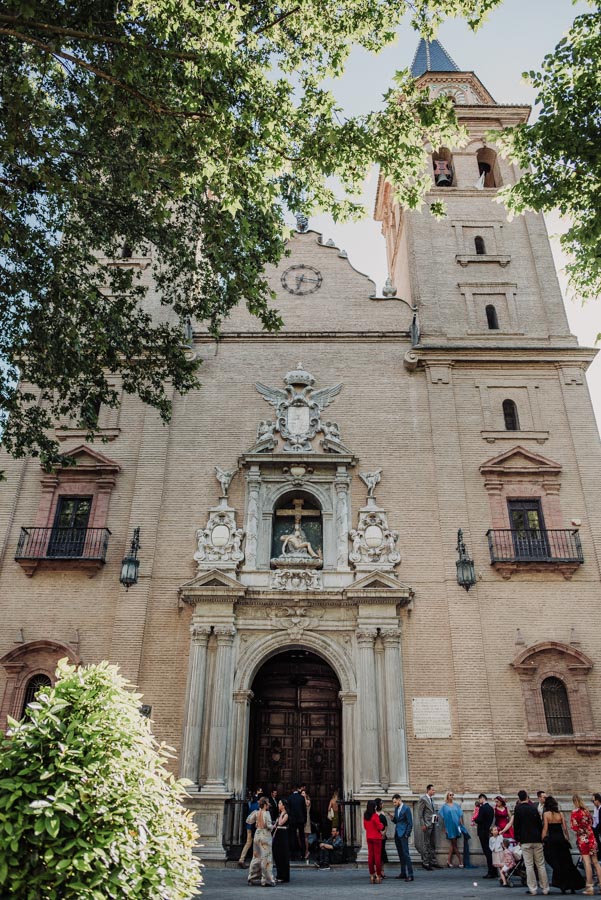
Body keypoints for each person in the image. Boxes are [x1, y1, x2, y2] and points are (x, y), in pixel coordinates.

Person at [541, 794, 584, 894]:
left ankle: (563, 885)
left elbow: (545, 829)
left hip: (552, 840)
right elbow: (565, 828)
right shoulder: (560, 814)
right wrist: (567, 838)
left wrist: (542, 838)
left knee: (558, 863)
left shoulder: (546, 814)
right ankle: (572, 885)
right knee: (567, 862)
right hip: (561, 840)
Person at [513, 789, 549, 896]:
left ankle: (533, 889)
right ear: (527, 797)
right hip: (537, 839)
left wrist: (517, 839)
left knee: (529, 865)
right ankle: (545, 888)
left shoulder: (518, 809)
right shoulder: (533, 808)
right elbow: (539, 824)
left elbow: (516, 825)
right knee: (540, 865)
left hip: (525, 840)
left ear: (519, 798)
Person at [570, 794, 601, 896]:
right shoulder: (587, 811)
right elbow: (591, 823)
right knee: (596, 862)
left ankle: (589, 887)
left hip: (583, 839)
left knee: (587, 863)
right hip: (591, 837)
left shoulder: (574, 812)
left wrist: (580, 830)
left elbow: (574, 827)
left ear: (574, 802)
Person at [246, 796, 277, 887]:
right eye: (268, 804)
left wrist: (257, 823)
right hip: (265, 836)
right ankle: (266, 880)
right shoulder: (266, 813)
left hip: (257, 834)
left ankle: (252, 877)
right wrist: (273, 826)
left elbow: (248, 820)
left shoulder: (256, 812)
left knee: (256, 857)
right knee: (266, 858)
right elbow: (268, 825)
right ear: (265, 804)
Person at [390, 793, 414, 882]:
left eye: (395, 802)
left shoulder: (406, 808)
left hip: (403, 834)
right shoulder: (396, 808)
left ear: (399, 800)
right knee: (400, 854)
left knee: (406, 854)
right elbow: (397, 821)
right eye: (393, 802)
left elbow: (410, 823)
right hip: (397, 834)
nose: (394, 804)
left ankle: (410, 874)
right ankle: (403, 873)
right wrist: (393, 819)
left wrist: (407, 834)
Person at [473, 793, 496, 878]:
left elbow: (479, 819)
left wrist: (475, 818)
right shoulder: (490, 808)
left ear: (482, 798)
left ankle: (491, 872)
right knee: (490, 851)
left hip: (483, 832)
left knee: (487, 852)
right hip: (488, 831)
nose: (479, 801)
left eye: (479, 799)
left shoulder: (482, 808)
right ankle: (494, 871)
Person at [439, 791, 464, 868]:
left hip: (457, 826)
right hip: (449, 827)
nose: (452, 796)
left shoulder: (456, 805)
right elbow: (443, 818)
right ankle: (461, 861)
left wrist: (461, 825)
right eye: (450, 795)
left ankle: (448, 861)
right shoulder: (444, 806)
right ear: (447, 796)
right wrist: (446, 828)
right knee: (454, 844)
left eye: (453, 795)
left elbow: (460, 815)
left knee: (453, 844)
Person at [417, 784, 439, 870]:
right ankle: (425, 862)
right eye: (432, 790)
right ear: (428, 790)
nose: (434, 791)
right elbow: (420, 813)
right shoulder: (423, 799)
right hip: (427, 824)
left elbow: (433, 811)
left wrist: (436, 820)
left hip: (433, 823)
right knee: (426, 843)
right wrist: (423, 824)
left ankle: (433, 861)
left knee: (432, 843)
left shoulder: (432, 799)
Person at [239, 787, 262, 868]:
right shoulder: (258, 807)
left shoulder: (252, 805)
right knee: (255, 844)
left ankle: (242, 859)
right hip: (254, 827)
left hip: (249, 826)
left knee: (248, 843)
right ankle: (255, 861)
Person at [363, 799, 385, 884]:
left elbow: (365, 827)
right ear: (374, 807)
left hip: (369, 837)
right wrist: (381, 824)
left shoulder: (365, 816)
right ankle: (378, 875)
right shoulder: (375, 815)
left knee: (370, 857)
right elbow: (380, 827)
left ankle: (372, 875)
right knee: (377, 857)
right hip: (376, 838)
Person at [272, 798, 290, 884]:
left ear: (283, 805)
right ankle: (279, 874)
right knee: (277, 855)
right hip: (278, 835)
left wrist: (282, 813)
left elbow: (280, 823)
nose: (278, 805)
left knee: (282, 855)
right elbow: (275, 826)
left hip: (283, 835)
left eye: (280, 803)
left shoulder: (286, 814)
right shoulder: (280, 814)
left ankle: (283, 876)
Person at [287, 785, 307, 860]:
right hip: (301, 820)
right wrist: (305, 820)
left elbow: (288, 810)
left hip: (292, 820)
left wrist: (289, 819)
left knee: (292, 836)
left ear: (292, 790)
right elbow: (304, 810)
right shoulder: (301, 798)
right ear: (297, 790)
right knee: (302, 837)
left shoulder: (289, 798)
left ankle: (292, 855)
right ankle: (303, 855)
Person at [374, 798, 388, 873]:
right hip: (376, 836)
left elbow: (386, 825)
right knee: (376, 853)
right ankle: (377, 870)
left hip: (383, 836)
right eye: (381, 803)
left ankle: (382, 870)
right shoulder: (374, 814)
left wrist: (384, 833)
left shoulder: (383, 813)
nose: (382, 805)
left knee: (382, 853)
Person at [302, 787, 311, 860]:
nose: (302, 794)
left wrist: (304, 797)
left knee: (305, 836)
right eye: (301, 793)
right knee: (299, 835)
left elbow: (306, 805)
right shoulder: (300, 801)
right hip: (301, 819)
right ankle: (303, 850)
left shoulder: (308, 800)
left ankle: (307, 851)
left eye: (303, 793)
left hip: (306, 819)